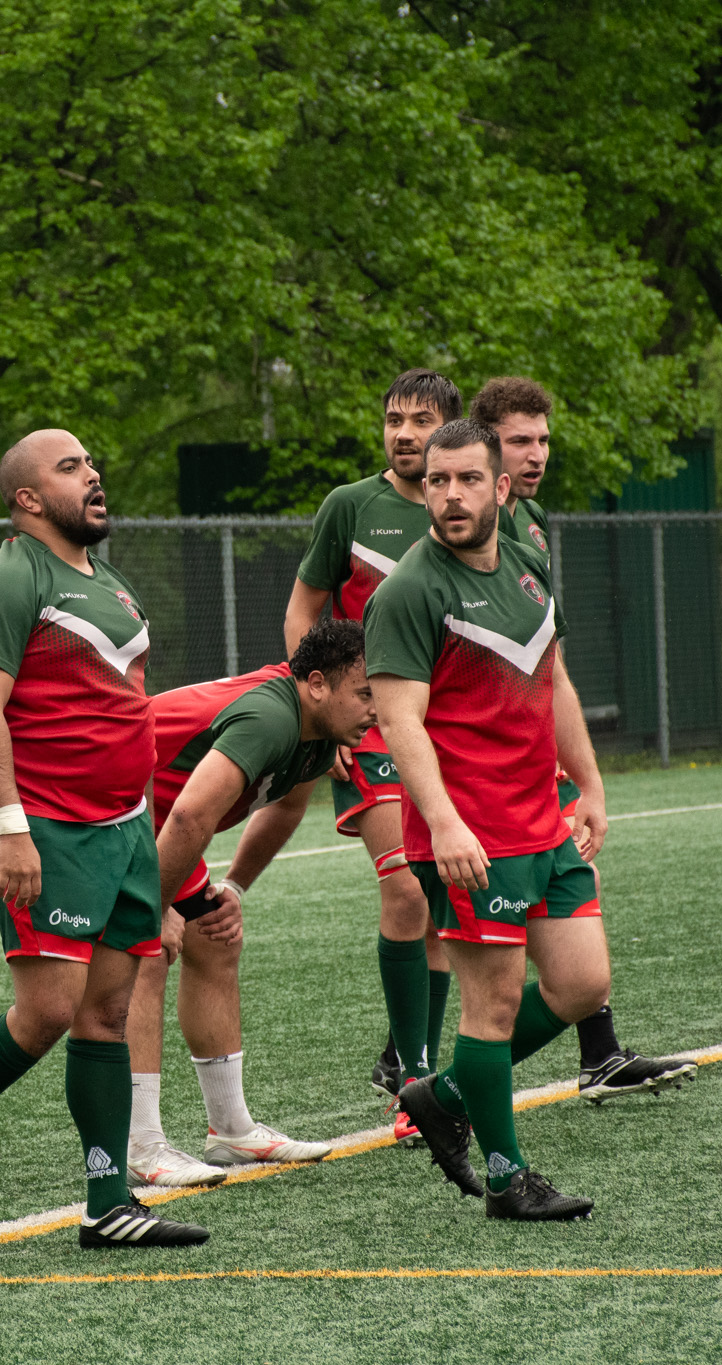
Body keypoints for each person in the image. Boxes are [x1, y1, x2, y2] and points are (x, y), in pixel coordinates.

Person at [0, 429, 208, 1251]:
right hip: (47, 827)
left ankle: (108, 1201)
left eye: (92, 462)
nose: (93, 474)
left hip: (125, 828)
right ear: (27, 499)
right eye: (71, 468)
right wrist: (11, 830)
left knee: (107, 1011)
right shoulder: (6, 579)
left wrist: (144, 821)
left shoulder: (107, 579)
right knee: (48, 1011)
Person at [371, 419, 610, 1221]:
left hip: (543, 817)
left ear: (501, 488)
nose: (450, 495)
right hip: (471, 833)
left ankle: (443, 1094)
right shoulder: (410, 590)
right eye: (437, 481)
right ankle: (507, 1180)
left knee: (582, 983)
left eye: (468, 479)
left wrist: (589, 782)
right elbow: (399, 721)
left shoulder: (528, 562)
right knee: (494, 1006)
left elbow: (554, 678)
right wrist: (442, 823)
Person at [472, 376, 697, 1102]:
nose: (536, 454)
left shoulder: (531, 523)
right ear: (485, 445)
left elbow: (550, 660)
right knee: (466, 950)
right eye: (520, 440)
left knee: (576, 900)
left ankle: (595, 1054)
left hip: (531, 757)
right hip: (474, 773)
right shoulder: (453, 533)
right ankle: (422, 1080)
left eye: (543, 439)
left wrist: (586, 776)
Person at [124, 620, 375, 1186]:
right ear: (317, 684)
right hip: (113, 804)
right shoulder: (271, 719)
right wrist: (154, 908)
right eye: (365, 693)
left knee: (214, 935)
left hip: (159, 818)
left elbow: (284, 808)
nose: (377, 709)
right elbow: (189, 816)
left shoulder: (320, 733)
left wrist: (233, 886)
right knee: (145, 952)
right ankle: (139, 1144)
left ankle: (231, 1130)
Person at [283, 369, 460, 1137]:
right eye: (394, 418)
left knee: (443, 898)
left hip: (452, 729)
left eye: (421, 419)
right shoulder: (350, 507)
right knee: (407, 892)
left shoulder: (473, 510)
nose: (404, 432)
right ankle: (416, 1083)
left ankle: (409, 1054)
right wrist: (321, 713)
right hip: (373, 727)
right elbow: (301, 609)